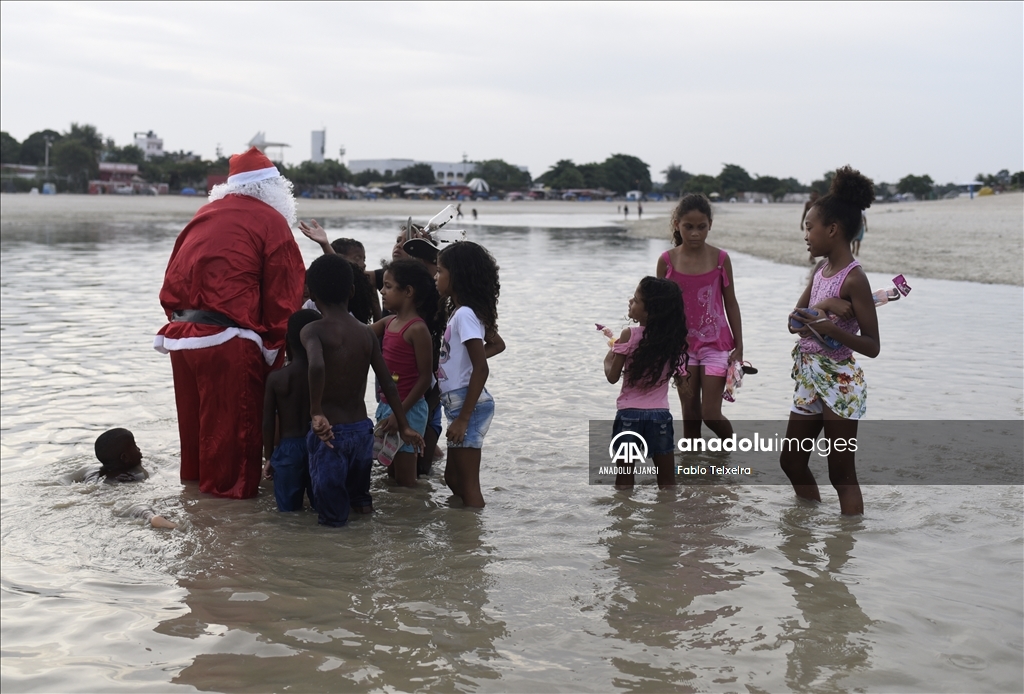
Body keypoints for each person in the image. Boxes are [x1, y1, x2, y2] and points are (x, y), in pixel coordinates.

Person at [155, 147, 305, 499]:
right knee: (233, 456)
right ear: (273, 190)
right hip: (230, 341)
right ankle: (229, 533)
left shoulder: (203, 214)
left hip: (181, 338)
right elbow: (284, 299)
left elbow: (171, 286)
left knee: (196, 443)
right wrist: (273, 353)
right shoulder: (271, 222)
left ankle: (192, 509)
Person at [303, 254, 425, 526]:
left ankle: (341, 563)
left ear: (311, 292)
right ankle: (365, 554)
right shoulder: (366, 333)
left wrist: (316, 411)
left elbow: (316, 367)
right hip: (361, 432)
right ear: (352, 291)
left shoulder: (312, 330)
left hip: (330, 433)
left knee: (332, 515)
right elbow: (388, 385)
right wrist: (404, 425)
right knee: (361, 500)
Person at [784, 166, 879, 516]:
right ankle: (804, 531)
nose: (806, 235)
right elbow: (794, 322)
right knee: (791, 462)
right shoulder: (819, 271)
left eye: (810, 227)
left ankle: (843, 559)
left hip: (839, 381)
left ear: (833, 230)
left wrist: (831, 327)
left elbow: (872, 344)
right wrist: (822, 307)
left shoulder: (855, 280)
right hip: (808, 377)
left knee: (841, 474)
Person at [656, 193, 743, 442]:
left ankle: (732, 452)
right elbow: (660, 309)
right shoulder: (667, 262)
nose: (695, 233)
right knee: (690, 414)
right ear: (677, 225)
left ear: (710, 226)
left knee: (710, 413)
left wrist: (740, 345)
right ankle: (693, 474)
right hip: (681, 347)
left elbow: (731, 303)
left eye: (701, 227)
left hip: (716, 345)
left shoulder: (720, 259)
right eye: (688, 227)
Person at [435, 241, 504, 508]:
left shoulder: (464, 315)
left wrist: (463, 418)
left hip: (468, 406)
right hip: (460, 403)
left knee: (468, 486)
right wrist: (459, 362)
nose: (436, 276)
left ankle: (473, 543)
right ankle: (461, 537)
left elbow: (481, 367)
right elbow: (497, 344)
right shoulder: (465, 312)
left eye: (440, 271)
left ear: (458, 276)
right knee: (452, 479)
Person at [603, 277, 688, 489]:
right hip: (660, 415)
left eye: (637, 299)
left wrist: (607, 359)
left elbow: (613, 377)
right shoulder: (672, 340)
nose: (631, 301)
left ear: (649, 311)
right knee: (667, 483)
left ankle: (624, 520)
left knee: (623, 483)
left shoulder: (628, 335)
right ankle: (665, 519)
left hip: (628, 416)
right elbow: (684, 383)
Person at [371, 259, 441, 487]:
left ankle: (411, 518)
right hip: (386, 405)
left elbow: (424, 379)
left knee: (405, 480)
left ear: (408, 291)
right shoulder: (388, 321)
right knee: (391, 477)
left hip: (408, 410)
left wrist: (398, 416)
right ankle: (397, 520)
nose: (382, 291)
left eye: (388, 286)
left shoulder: (417, 329)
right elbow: (358, 333)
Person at [263, 309, 321, 512]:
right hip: (318, 445)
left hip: (287, 450)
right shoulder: (324, 377)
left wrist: (268, 456)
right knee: (321, 509)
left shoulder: (277, 379)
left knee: (288, 515)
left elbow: (268, 422)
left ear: (287, 339)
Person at [70, 428, 176, 529]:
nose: (138, 449)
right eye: (135, 446)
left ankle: (151, 517)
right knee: (136, 507)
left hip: (100, 494)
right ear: (125, 457)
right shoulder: (136, 474)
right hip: (119, 492)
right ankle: (150, 516)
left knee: (121, 506)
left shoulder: (93, 473)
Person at [801, 191, 821, 264]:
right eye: (813, 195)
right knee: (810, 240)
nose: (814, 196)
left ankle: (812, 257)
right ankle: (811, 257)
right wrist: (801, 223)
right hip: (809, 225)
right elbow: (804, 213)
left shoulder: (819, 204)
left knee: (816, 241)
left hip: (817, 225)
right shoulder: (808, 204)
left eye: (816, 195)